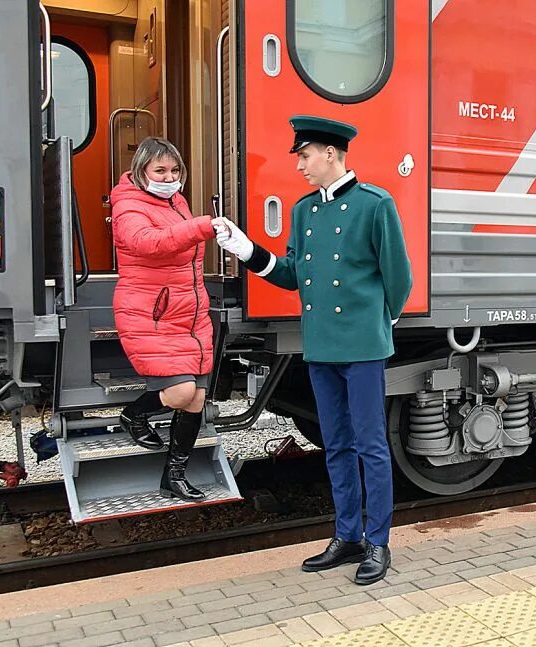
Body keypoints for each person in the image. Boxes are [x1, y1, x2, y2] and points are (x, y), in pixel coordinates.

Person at [213, 115, 413, 585]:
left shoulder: (374, 204)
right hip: (321, 345)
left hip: (362, 346)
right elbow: (289, 274)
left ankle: (378, 542)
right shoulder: (305, 212)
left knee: (371, 446)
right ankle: (347, 536)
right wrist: (246, 250)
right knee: (336, 444)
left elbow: (398, 277)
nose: (300, 165)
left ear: (330, 153)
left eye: (305, 156)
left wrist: (381, 323)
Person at [110, 136, 218, 501]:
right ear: (141, 171)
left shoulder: (177, 201)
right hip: (151, 314)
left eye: (174, 170)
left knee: (197, 398)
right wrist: (203, 227)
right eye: (160, 170)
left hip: (188, 314)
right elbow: (148, 243)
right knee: (180, 392)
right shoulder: (127, 205)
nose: (169, 176)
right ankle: (133, 415)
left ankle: (174, 476)